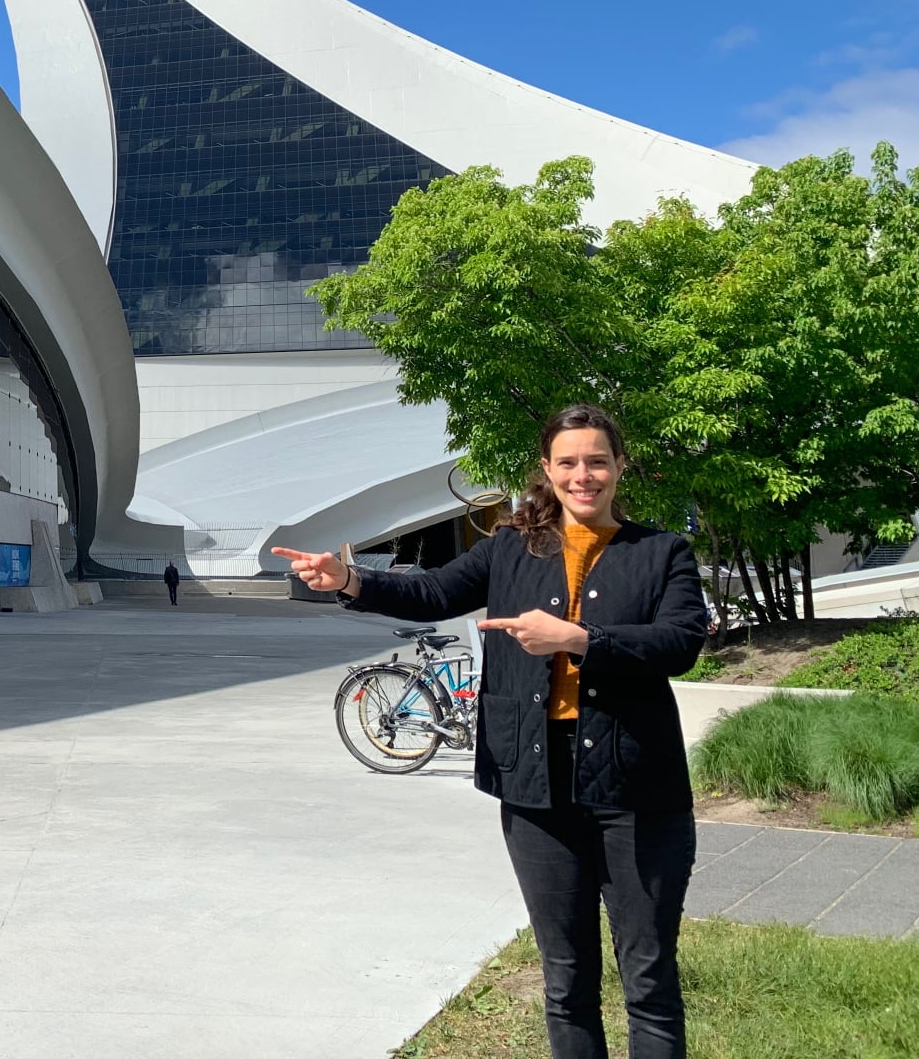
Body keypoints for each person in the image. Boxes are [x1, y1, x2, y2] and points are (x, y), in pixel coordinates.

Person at [278, 404, 703, 1059]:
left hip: (637, 788)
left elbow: (680, 643)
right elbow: (433, 594)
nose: (583, 475)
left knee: (648, 980)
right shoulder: (511, 548)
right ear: (547, 470)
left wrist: (578, 639)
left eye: (597, 461)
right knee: (566, 977)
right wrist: (350, 580)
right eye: (568, 462)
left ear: (620, 466)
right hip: (535, 785)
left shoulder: (662, 552)